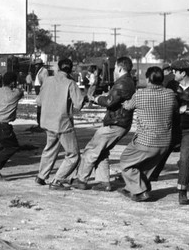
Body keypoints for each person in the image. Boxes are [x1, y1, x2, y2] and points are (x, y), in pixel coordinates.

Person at [150, 58, 189, 205]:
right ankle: (145, 184)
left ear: (183, 73)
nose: (172, 73)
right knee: (157, 155)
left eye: (175, 71)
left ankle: (182, 191)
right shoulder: (170, 85)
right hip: (172, 128)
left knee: (184, 159)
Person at [72, 57, 135, 191]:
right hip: (122, 123)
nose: (113, 72)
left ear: (119, 68)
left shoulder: (122, 83)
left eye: (115, 68)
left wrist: (95, 98)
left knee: (91, 149)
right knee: (102, 152)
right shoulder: (128, 81)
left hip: (115, 123)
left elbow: (109, 101)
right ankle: (103, 182)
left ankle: (81, 179)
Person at [117, 66, 178, 202]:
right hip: (164, 142)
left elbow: (127, 106)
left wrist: (124, 102)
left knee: (125, 162)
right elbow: (175, 109)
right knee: (145, 165)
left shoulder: (140, 94)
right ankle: (134, 188)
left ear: (148, 79)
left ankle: (141, 191)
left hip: (146, 141)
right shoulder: (170, 94)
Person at [35, 58, 86, 190]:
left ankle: (41, 176)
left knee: (50, 148)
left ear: (58, 67)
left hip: (47, 121)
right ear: (71, 69)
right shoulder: (71, 83)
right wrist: (85, 97)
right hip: (62, 124)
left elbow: (39, 101)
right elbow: (78, 104)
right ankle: (58, 180)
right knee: (73, 154)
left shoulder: (47, 80)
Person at [31, 59, 49, 132]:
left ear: (41, 64)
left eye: (37, 64)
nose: (36, 66)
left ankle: (42, 124)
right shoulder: (39, 71)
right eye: (35, 65)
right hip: (38, 90)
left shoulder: (44, 71)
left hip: (41, 90)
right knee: (39, 106)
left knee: (41, 107)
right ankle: (39, 123)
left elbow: (45, 82)